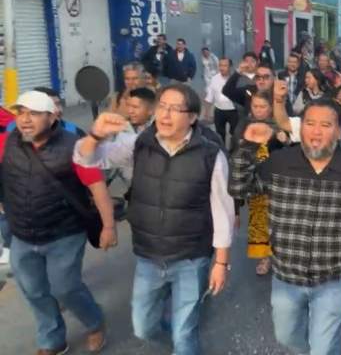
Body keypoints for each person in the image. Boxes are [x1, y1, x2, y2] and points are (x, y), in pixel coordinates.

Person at [75, 84, 235, 355]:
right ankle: (177, 332)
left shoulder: (210, 155)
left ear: (192, 117)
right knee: (143, 327)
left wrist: (221, 262)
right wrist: (95, 136)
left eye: (175, 109)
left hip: (191, 256)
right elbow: (88, 159)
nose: (165, 114)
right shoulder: (140, 144)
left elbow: (223, 211)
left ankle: (184, 340)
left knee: (184, 334)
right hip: (149, 256)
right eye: (162, 106)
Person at [229, 97, 341, 355]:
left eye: (326, 125)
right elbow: (239, 188)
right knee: (286, 335)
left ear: (339, 131)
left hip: (334, 278)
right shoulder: (279, 163)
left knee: (323, 348)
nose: (316, 132)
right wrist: (247, 146)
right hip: (286, 275)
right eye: (310, 123)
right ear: (299, 128)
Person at [2, 91, 117, 355]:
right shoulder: (8, 142)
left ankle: (95, 322)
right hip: (22, 234)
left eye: (33, 113)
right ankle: (52, 340)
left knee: (65, 288)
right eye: (21, 113)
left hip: (64, 234)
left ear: (52, 117)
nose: (25, 120)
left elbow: (97, 187)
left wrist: (109, 227)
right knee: (33, 291)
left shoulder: (74, 146)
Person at [230, 90, 287, 276]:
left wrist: (284, 140)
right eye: (255, 106)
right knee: (260, 221)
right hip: (255, 184)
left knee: (280, 222)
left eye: (263, 106)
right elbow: (236, 157)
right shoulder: (244, 126)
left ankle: (279, 255)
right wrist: (235, 206)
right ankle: (265, 257)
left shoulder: (280, 125)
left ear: (271, 108)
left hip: (278, 184)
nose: (258, 110)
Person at [7, 87, 86, 137]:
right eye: (50, 105)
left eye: (58, 104)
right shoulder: (12, 130)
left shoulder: (74, 132)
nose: (57, 110)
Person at [204, 57, 238, 147]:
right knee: (219, 135)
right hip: (219, 111)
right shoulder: (214, 79)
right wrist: (207, 112)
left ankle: (233, 151)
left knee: (235, 134)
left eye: (225, 65)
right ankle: (222, 151)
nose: (222, 68)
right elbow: (209, 96)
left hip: (234, 111)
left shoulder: (236, 79)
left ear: (230, 67)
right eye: (220, 65)